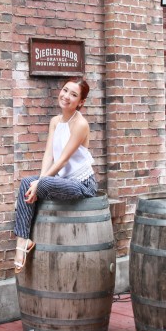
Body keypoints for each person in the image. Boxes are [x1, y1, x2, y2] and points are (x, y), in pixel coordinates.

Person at [13, 77, 97, 273]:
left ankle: (33, 196)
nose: (66, 96)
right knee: (27, 182)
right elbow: (49, 154)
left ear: (81, 102)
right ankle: (22, 241)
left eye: (73, 94)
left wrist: (41, 183)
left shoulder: (81, 124)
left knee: (38, 184)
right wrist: (40, 181)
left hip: (82, 185)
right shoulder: (55, 122)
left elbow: (63, 160)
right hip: (60, 181)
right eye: (65, 90)